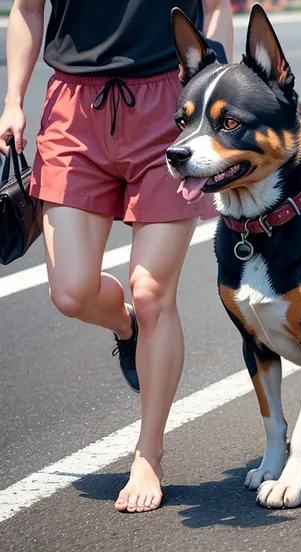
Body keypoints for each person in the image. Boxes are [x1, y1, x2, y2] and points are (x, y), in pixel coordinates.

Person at [0, 0, 234, 513]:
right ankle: (127, 329)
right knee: (71, 292)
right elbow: (27, 9)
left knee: (152, 293)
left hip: (168, 108)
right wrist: (13, 98)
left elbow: (216, 8)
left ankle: (148, 454)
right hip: (73, 111)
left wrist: (213, 84)